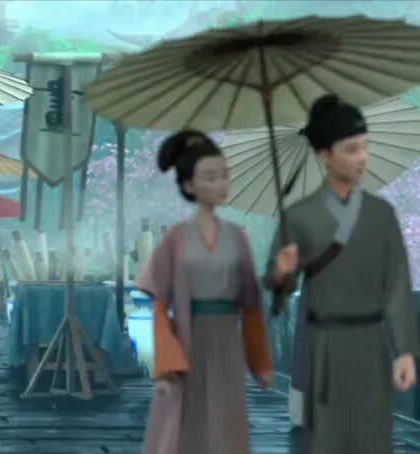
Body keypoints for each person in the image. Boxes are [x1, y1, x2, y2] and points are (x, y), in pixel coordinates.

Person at [265, 94, 418, 454]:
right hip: (324, 347)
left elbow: (396, 285)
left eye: (364, 146)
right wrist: (281, 273)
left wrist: (404, 351)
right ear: (325, 155)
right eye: (351, 149)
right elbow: (279, 293)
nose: (362, 157)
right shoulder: (299, 217)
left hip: (370, 342)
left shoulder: (381, 215)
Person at [139, 130, 272, 454]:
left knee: (226, 422)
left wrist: (260, 362)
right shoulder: (175, 237)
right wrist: (165, 366)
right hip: (189, 338)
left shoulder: (238, 237)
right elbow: (158, 303)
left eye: (224, 175)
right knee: (188, 422)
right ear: (189, 185)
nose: (221, 184)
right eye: (210, 177)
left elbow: (250, 307)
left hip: (227, 341)